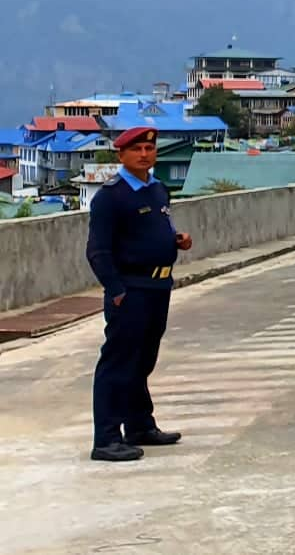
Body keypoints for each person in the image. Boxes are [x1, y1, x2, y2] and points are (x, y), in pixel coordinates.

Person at [84, 127, 193, 462]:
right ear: (121, 155)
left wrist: (176, 239)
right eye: (136, 150)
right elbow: (98, 251)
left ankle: (139, 426)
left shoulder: (157, 189)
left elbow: (156, 229)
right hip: (131, 290)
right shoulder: (111, 197)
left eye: (149, 148)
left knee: (143, 361)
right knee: (118, 363)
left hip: (159, 286)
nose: (144, 154)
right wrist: (116, 291)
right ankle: (105, 439)